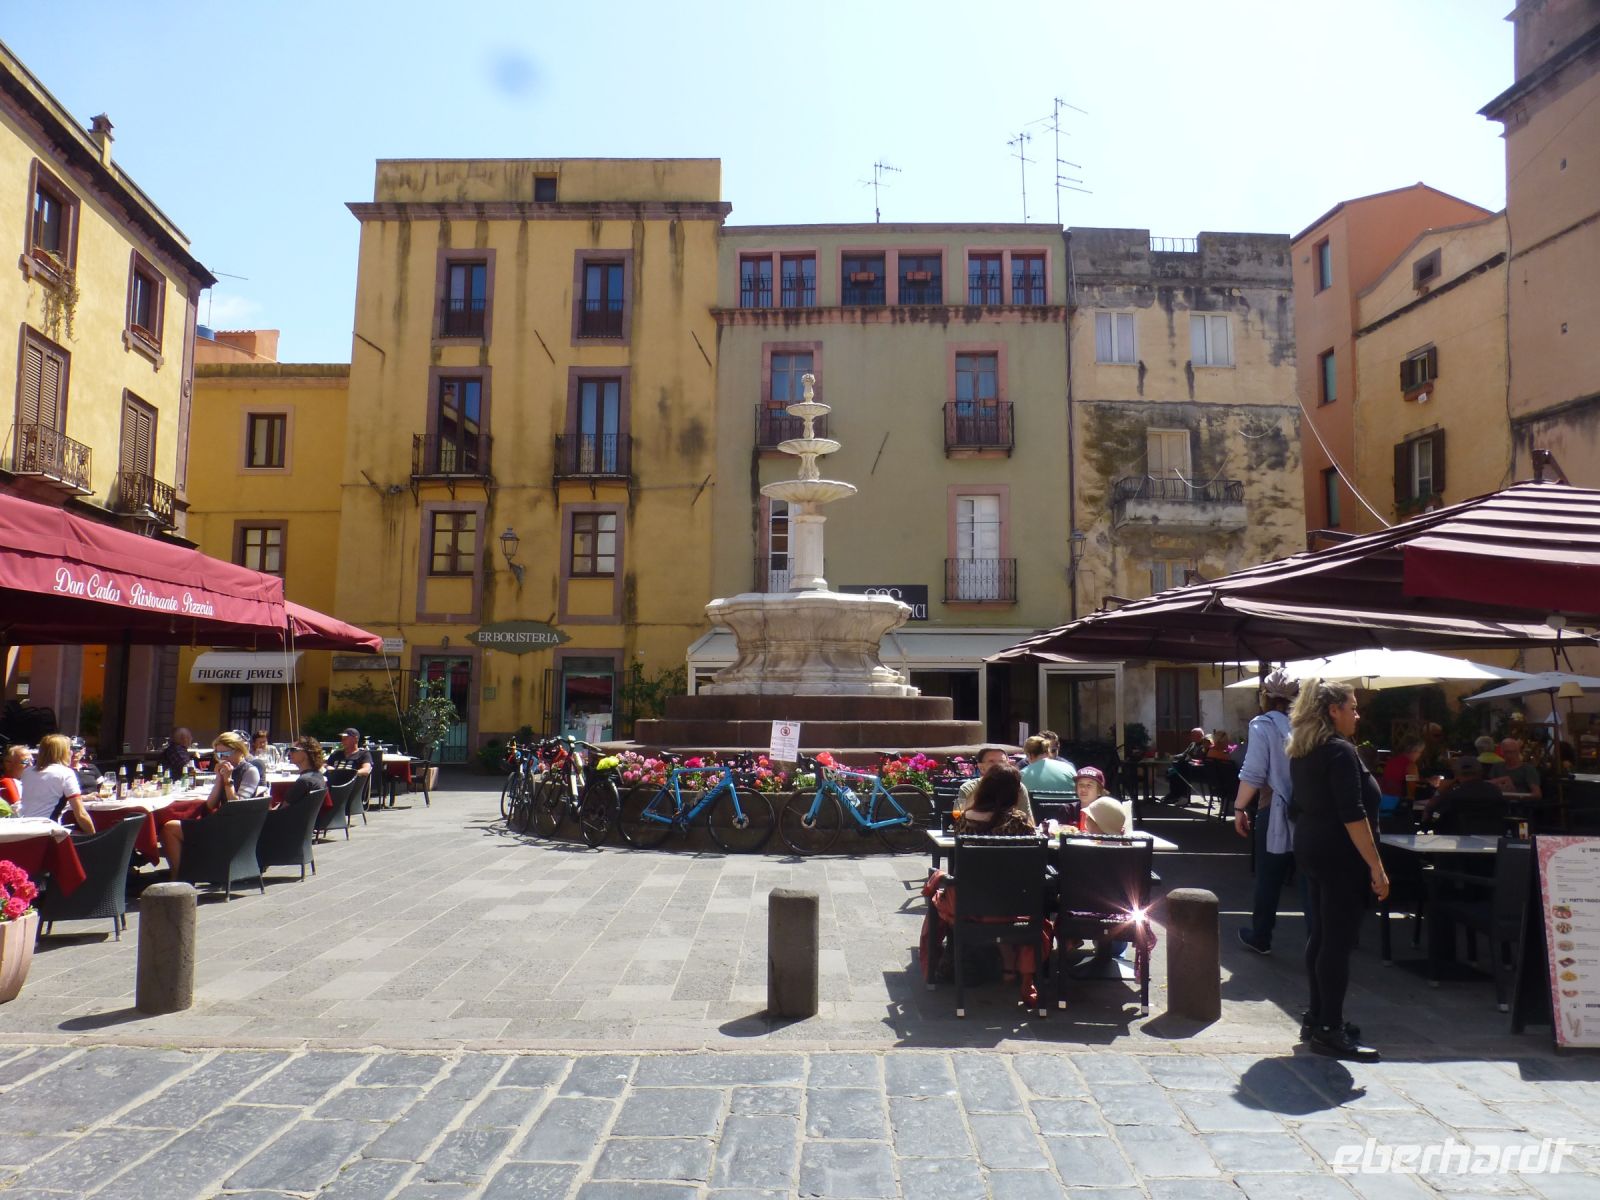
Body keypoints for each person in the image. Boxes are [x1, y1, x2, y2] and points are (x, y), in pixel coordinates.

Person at [1288, 680, 1386, 1062]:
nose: (1357, 715)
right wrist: (1376, 866)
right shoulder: (1340, 751)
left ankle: (1318, 1016)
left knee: (1321, 935)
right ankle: (1330, 1027)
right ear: (1333, 710)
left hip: (1312, 848)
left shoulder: (1303, 750)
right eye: (1353, 707)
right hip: (1340, 854)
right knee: (1337, 942)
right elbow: (1353, 814)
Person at [952, 763, 1041, 1007]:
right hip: (1014, 902)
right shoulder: (1018, 821)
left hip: (972, 902)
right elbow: (1033, 855)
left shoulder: (965, 819)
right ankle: (1024, 969)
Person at [1234, 670, 1299, 957]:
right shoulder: (1310, 725)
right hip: (1308, 810)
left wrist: (1239, 807)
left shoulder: (1263, 724)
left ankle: (1261, 936)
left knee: (1268, 877)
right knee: (1310, 882)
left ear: (1266, 697)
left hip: (1273, 808)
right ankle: (1319, 942)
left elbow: (1254, 772)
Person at [160, 732, 261, 877]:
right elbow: (210, 805)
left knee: (170, 829)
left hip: (235, 830)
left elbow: (238, 807)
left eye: (226, 754)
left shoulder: (250, 771)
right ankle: (184, 874)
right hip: (221, 824)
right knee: (168, 826)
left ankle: (179, 877)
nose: (222, 758)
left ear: (239, 751)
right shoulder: (224, 771)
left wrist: (228, 781)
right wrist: (219, 779)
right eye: (219, 755)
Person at [19, 733, 94, 834]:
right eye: (69, 749)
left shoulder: (27, 772)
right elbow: (81, 814)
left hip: (23, 828)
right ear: (63, 752)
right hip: (47, 831)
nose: (71, 752)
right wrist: (94, 836)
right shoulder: (65, 772)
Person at [1422, 757, 1506, 834]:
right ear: (1481, 772)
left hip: (1458, 841)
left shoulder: (1451, 796)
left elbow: (1431, 820)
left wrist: (1438, 793)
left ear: (1456, 774)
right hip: (1492, 841)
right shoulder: (1495, 791)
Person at [959, 746, 1032, 820]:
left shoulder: (1018, 788)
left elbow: (1028, 820)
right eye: (991, 761)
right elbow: (959, 818)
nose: (998, 765)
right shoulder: (968, 788)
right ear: (981, 767)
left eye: (1002, 762)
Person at [1164, 727, 1211, 803]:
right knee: (1174, 771)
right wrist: (1172, 756)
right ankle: (1174, 794)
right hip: (1188, 767)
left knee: (1180, 770)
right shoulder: (1192, 744)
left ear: (1200, 736)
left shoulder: (1205, 745)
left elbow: (1203, 758)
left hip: (1199, 769)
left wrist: (1192, 759)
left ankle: (1183, 796)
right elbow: (1184, 754)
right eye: (1191, 735)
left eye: (1193, 735)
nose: (1191, 737)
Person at [282, 736, 329, 807]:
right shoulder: (318, 775)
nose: (289, 753)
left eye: (293, 750)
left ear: (307, 754)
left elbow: (283, 808)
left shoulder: (304, 781)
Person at [1, 744, 30, 814]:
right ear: (8, 764)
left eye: (33, 761)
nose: (30, 765)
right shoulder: (7, 782)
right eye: (26, 762)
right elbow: (19, 812)